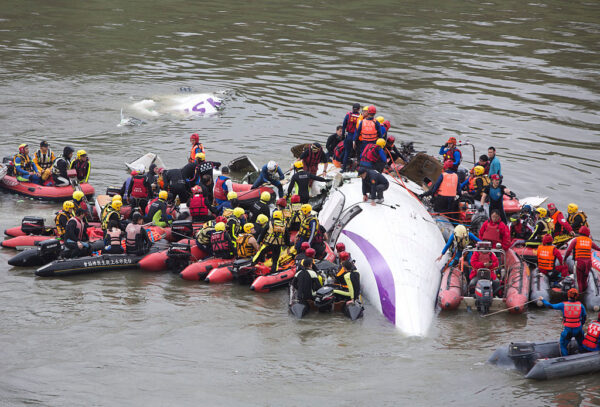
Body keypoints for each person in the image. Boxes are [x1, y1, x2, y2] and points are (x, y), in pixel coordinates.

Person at [540, 288, 587, 356]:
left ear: (568, 295)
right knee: (581, 344)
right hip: (578, 329)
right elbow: (584, 317)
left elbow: (550, 306)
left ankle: (566, 359)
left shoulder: (563, 305)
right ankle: (583, 356)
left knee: (562, 345)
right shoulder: (581, 305)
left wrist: (543, 300)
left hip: (568, 330)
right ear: (577, 296)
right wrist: (581, 325)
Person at [564, 226, 600, 293]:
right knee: (585, 279)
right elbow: (597, 248)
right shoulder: (590, 241)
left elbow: (569, 250)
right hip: (588, 263)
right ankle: (586, 293)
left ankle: (579, 294)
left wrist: (565, 258)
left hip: (579, 262)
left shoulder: (576, 240)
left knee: (578, 280)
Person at [341, 103, 361, 172]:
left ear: (352, 108)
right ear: (359, 109)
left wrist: (343, 135)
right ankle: (356, 169)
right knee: (357, 154)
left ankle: (343, 169)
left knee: (346, 152)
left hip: (348, 136)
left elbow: (343, 126)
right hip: (357, 138)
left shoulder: (348, 115)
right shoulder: (360, 116)